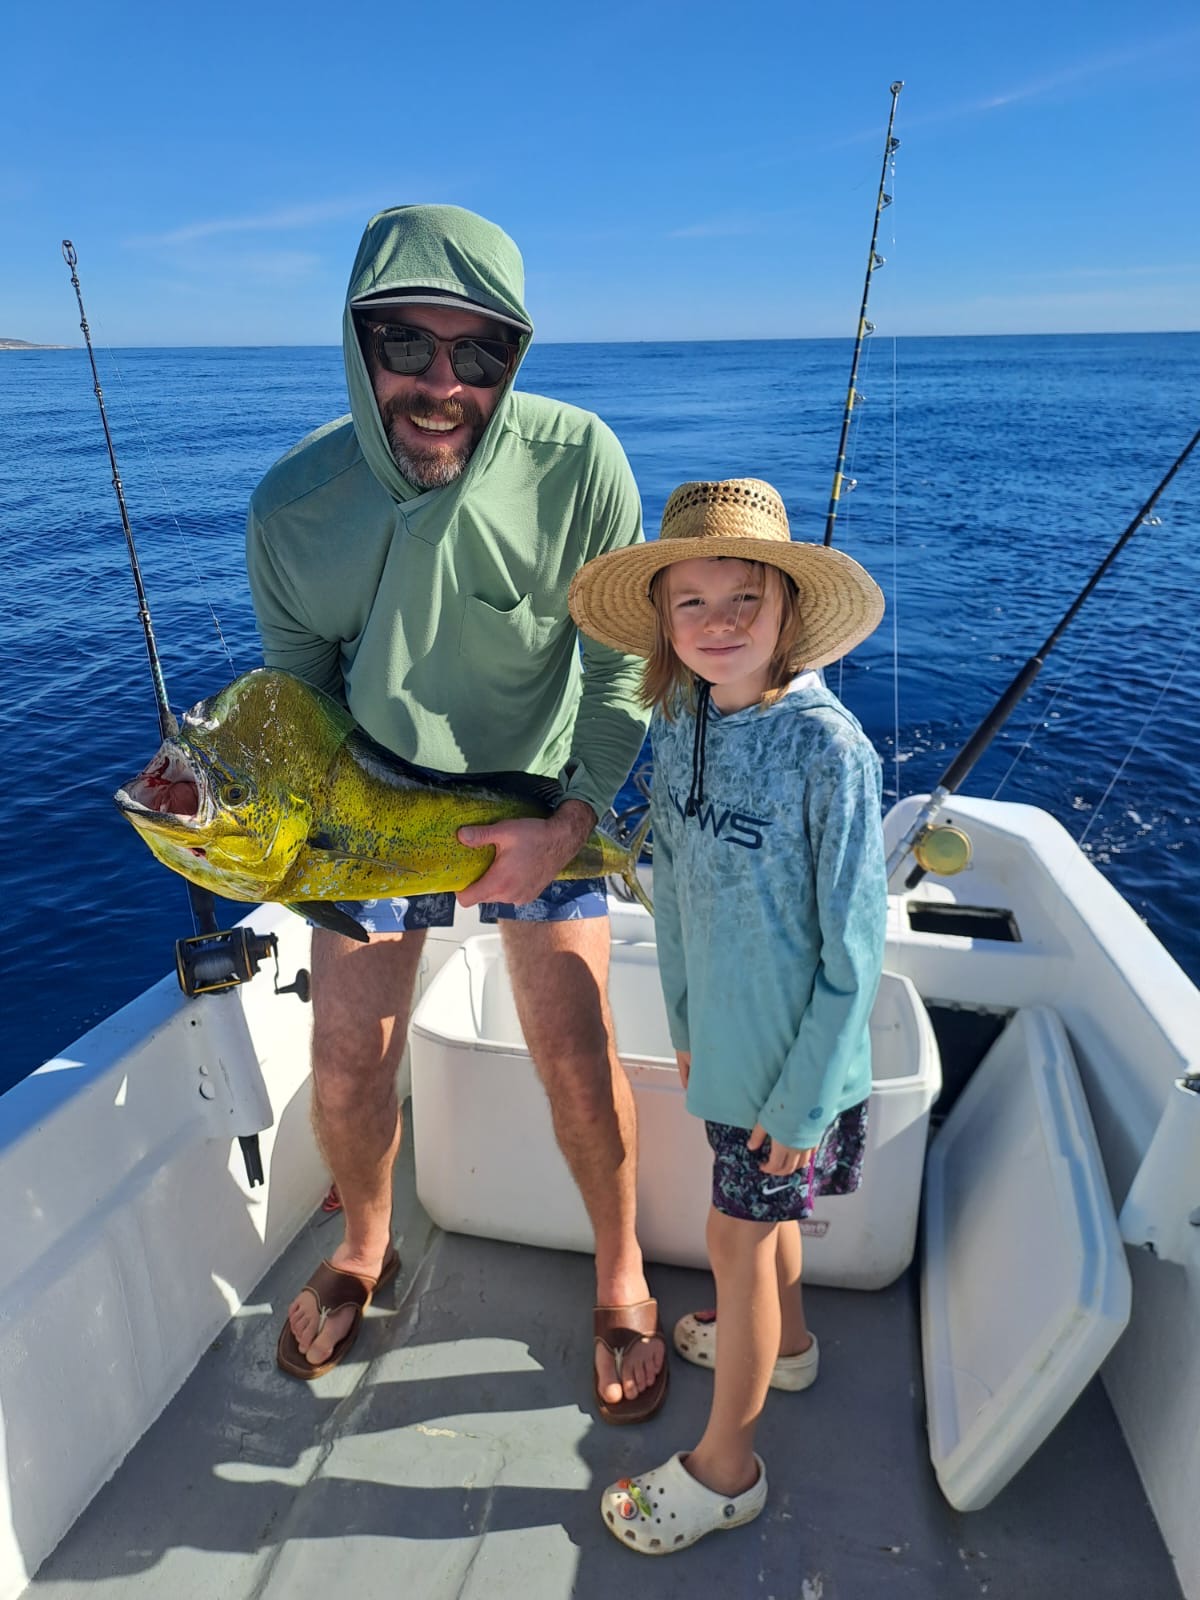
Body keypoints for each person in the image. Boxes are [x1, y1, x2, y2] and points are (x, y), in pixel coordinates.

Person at [246, 203, 668, 1422]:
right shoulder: (290, 508)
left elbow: (621, 669)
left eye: (477, 353)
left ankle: (623, 1263)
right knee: (342, 1066)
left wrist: (572, 820)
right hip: (372, 798)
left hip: (538, 793)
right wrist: (279, 842)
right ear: (355, 341)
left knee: (577, 1060)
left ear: (513, 361)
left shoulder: (582, 459)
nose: (443, 384)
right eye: (407, 345)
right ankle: (367, 1244)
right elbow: (299, 708)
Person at [568, 477, 888, 1552]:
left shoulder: (831, 753)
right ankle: (787, 1345)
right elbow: (684, 886)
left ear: (791, 611)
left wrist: (801, 1102)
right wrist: (688, 1017)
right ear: (662, 623)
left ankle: (726, 1466)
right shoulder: (681, 716)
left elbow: (855, 953)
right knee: (762, 1235)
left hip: (793, 1078)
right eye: (690, 602)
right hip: (725, 1057)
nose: (717, 625)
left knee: (734, 1240)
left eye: (744, 598)